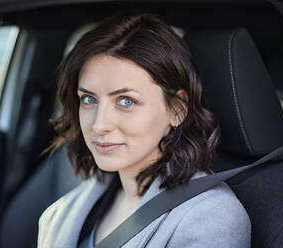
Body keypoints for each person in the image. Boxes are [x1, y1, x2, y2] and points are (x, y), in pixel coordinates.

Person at [37, 12, 251, 248]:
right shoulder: (64, 211)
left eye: (126, 101)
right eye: (89, 99)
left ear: (177, 110)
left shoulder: (211, 217)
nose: (99, 125)